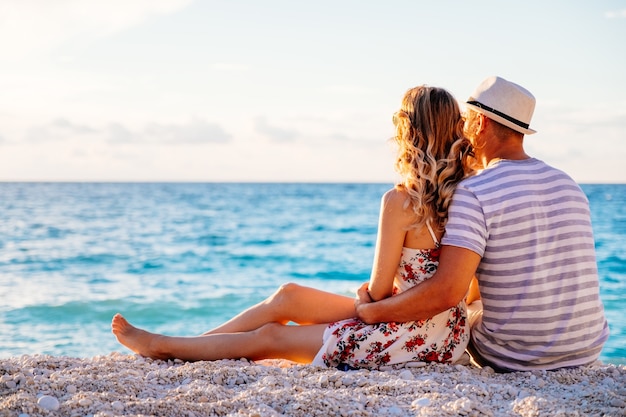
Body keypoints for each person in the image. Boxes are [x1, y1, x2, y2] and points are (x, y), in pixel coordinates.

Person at [112, 85, 474, 368]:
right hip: (447, 332)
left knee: (272, 336)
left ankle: (166, 347)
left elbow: (379, 294)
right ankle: (192, 344)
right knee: (288, 296)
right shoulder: (471, 193)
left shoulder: (399, 202)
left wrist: (367, 294)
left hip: (408, 333)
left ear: (408, 133)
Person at [354, 76, 610, 372]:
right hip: (586, 349)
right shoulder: (568, 184)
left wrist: (373, 312)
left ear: (480, 124)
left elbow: (447, 292)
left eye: (465, 120)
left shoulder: (476, 190)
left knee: (465, 312)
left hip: (516, 358)